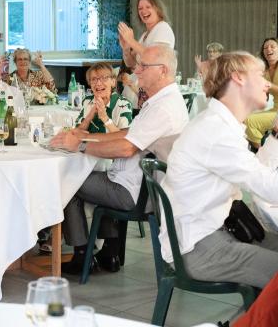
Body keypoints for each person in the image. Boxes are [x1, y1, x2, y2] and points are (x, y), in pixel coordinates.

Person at [50, 45, 188, 274]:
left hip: (138, 192)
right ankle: (109, 252)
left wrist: (81, 145)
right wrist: (84, 136)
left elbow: (125, 148)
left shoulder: (163, 108)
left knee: (67, 181)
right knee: (88, 176)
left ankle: (82, 256)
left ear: (163, 70)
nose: (137, 71)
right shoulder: (162, 101)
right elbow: (128, 134)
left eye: (144, 66)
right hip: (139, 185)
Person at [159, 51, 278, 289]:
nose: (267, 83)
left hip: (222, 230)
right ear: (238, 78)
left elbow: (256, 169)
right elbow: (269, 188)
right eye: (259, 74)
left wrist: (275, 134)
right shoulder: (216, 132)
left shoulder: (218, 124)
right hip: (201, 248)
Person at [118, 0, 175, 108]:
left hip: (153, 89)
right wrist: (126, 48)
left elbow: (154, 57)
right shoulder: (144, 35)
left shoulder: (163, 28)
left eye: (148, 7)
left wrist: (131, 40)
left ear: (157, 9)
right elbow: (131, 64)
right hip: (137, 90)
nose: (143, 11)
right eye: (140, 8)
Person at [76, 63, 132, 134]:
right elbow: (77, 133)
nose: (98, 83)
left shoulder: (124, 104)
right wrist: (89, 116)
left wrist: (105, 118)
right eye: (94, 79)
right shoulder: (87, 100)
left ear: (113, 82)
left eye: (104, 78)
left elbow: (124, 137)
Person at [245, 38, 278, 148]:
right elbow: (265, 97)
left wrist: (268, 85)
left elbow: (268, 85)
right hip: (275, 109)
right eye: (265, 47)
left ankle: (262, 155)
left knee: (250, 121)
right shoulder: (265, 71)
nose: (269, 49)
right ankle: (260, 149)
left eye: (272, 46)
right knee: (244, 118)